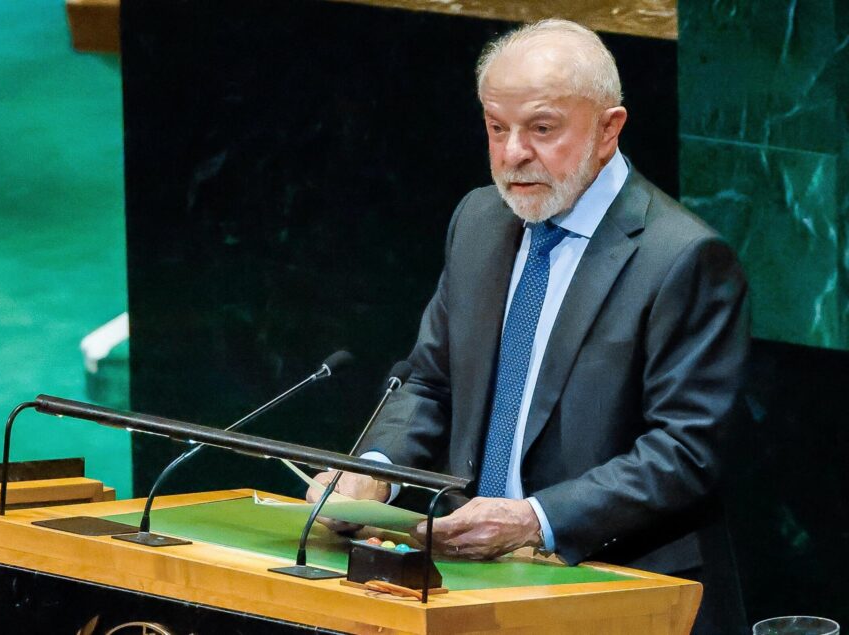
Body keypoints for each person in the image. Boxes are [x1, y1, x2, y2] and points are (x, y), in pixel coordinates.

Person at [309, 19, 749, 634]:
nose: (513, 153)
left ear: (608, 129)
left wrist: (534, 519)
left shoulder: (681, 258)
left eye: (541, 129)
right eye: (497, 127)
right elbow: (431, 382)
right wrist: (376, 472)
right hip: (468, 581)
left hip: (619, 587)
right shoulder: (479, 220)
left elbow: (685, 451)